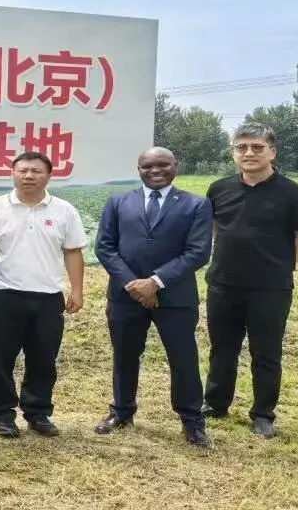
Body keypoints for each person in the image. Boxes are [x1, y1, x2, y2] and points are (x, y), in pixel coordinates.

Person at [202, 123, 298, 438]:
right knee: (222, 348)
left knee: (266, 353)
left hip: (270, 287)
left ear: (272, 152)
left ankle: (263, 414)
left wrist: (277, 260)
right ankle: (215, 404)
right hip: (223, 283)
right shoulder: (218, 189)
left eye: (257, 147)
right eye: (241, 147)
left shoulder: (294, 194)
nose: (249, 153)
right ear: (233, 153)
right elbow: (213, 227)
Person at [93, 147, 213, 448]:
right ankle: (121, 411)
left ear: (175, 166)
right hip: (125, 296)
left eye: (163, 164)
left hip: (175, 298)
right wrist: (135, 285)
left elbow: (198, 252)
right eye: (147, 166)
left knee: (183, 359)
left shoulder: (196, 204)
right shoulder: (118, 202)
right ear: (139, 170)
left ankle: (192, 421)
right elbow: (105, 247)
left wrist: (155, 282)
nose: (155, 170)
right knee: (124, 355)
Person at [0, 151, 86, 439]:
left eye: (36, 171)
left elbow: (72, 251)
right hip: (3, 295)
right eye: (23, 170)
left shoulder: (64, 210)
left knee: (44, 358)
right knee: (0, 358)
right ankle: (1, 413)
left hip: (48, 296)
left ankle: (38, 412)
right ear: (12, 174)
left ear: (48, 176)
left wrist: (77, 290)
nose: (29, 176)